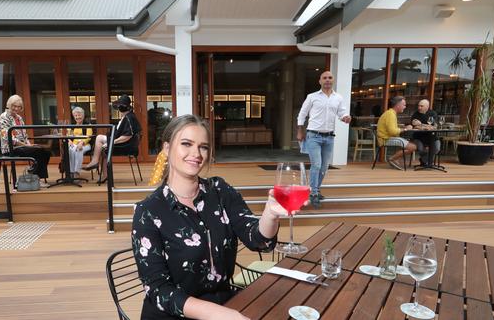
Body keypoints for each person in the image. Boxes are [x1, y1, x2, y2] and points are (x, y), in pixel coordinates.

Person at [132, 115, 297, 320]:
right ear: (166, 148)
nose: (196, 154)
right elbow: (159, 291)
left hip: (226, 303)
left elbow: (259, 241)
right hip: (175, 314)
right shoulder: (148, 211)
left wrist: (270, 214)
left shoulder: (220, 191)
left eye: (203, 147)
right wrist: (222, 315)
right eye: (186, 144)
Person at [297, 71, 351, 207]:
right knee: (316, 165)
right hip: (313, 136)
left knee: (324, 167)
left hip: (329, 138)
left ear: (333, 81)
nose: (327, 80)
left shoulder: (338, 98)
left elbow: (341, 112)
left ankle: (315, 189)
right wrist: (299, 130)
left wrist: (345, 117)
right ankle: (314, 193)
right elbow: (302, 114)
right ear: (319, 81)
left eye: (330, 78)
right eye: (324, 78)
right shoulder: (312, 97)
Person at [0, 94, 51, 188]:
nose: (16, 109)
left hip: (22, 146)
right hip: (10, 148)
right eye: (14, 106)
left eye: (19, 107)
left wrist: (29, 144)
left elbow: (25, 135)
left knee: (45, 152)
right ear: (9, 105)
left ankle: (35, 175)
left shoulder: (19, 118)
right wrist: (27, 146)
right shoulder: (3, 117)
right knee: (38, 151)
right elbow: (8, 138)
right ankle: (35, 177)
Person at [83, 94, 141, 176]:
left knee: (99, 139)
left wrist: (112, 142)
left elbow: (127, 136)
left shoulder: (129, 117)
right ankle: (105, 174)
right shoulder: (126, 116)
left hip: (126, 146)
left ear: (126, 106)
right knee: (102, 146)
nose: (119, 107)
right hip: (122, 143)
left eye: (121, 105)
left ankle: (95, 162)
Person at [377, 96, 418, 170]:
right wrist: (405, 129)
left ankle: (395, 159)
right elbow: (392, 131)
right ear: (398, 105)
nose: (405, 107)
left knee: (410, 144)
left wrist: (401, 128)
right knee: (413, 147)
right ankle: (392, 159)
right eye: (404, 105)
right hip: (385, 139)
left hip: (386, 138)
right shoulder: (390, 114)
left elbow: (392, 129)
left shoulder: (390, 113)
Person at [410, 99, 441, 166]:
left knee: (437, 148)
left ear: (427, 106)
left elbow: (434, 127)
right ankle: (427, 162)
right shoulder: (416, 114)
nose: (419, 108)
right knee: (421, 149)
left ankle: (424, 160)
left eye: (421, 106)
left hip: (432, 137)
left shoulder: (433, 113)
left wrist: (421, 124)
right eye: (418, 106)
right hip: (419, 137)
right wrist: (426, 126)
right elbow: (414, 125)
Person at [67, 107, 92, 177]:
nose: (77, 117)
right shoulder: (72, 125)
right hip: (74, 144)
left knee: (79, 150)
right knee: (70, 149)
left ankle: (77, 172)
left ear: (83, 116)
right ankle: (71, 171)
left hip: (85, 144)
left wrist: (82, 143)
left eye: (79, 115)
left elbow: (89, 136)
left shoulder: (87, 124)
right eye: (75, 115)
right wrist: (69, 141)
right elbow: (68, 135)